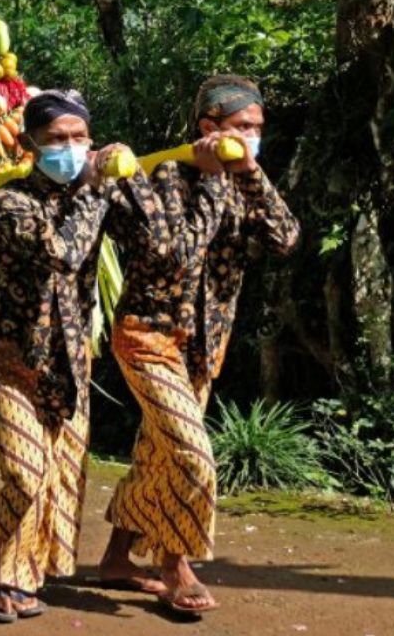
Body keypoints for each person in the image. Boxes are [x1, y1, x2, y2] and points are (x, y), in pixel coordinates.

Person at [99, 75, 300, 616]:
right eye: (243, 127)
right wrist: (213, 181)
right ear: (209, 128)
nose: (253, 135)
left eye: (259, 128)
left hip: (205, 347)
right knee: (192, 453)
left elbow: (285, 237)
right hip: (148, 336)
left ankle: (118, 556)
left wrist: (248, 173)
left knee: (156, 455)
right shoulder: (168, 174)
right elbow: (174, 253)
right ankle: (175, 562)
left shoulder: (245, 180)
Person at [0, 90, 172, 622]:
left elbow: (157, 247)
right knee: (27, 477)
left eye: (79, 138)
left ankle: (19, 573)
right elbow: (63, 254)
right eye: (57, 140)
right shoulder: (9, 203)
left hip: (69, 366)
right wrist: (95, 189)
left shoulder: (96, 194)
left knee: (59, 482)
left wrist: (130, 182)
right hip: (11, 365)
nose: (71, 148)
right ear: (29, 145)